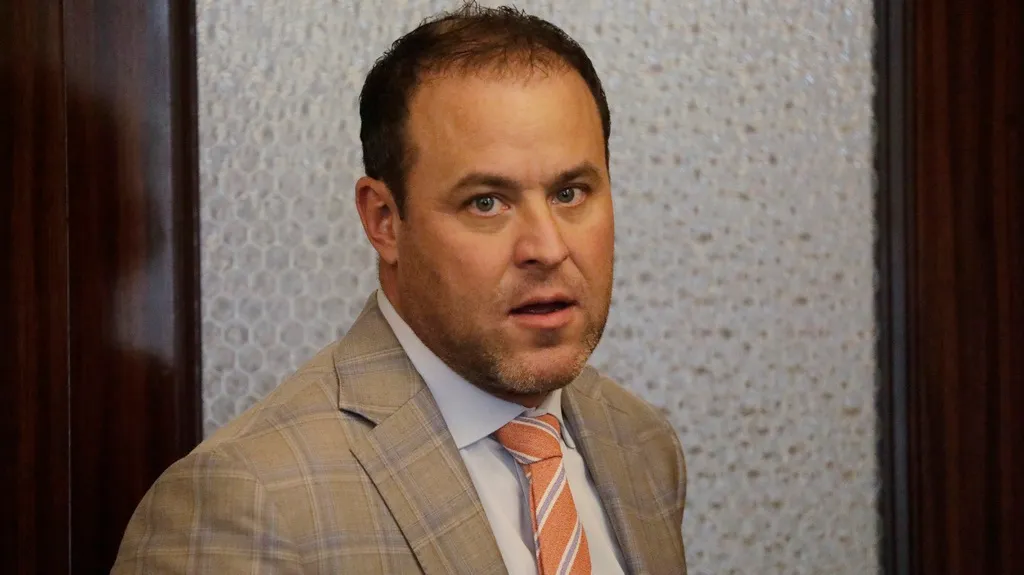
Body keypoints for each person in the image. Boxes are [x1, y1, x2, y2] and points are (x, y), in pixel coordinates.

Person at [113, 3, 687, 574]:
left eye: (570, 193)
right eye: (486, 202)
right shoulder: (247, 502)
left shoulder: (640, 443)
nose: (548, 247)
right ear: (384, 221)